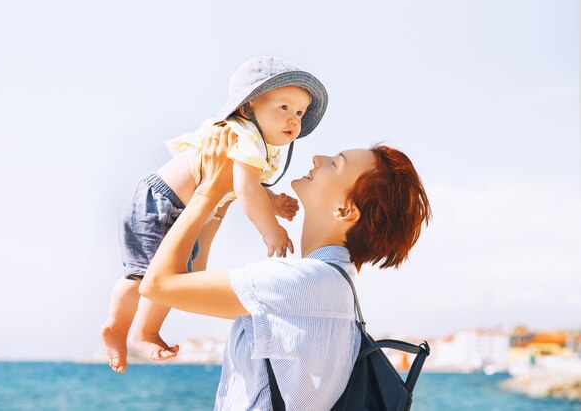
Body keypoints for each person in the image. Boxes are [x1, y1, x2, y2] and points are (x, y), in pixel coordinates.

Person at [140, 125, 432, 410]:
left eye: (334, 164)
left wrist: (208, 192)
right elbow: (187, 284)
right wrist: (221, 202)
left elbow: (157, 286)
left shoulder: (307, 283)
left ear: (345, 210)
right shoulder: (332, 287)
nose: (317, 158)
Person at [101, 57, 329, 373]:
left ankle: (127, 327)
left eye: (300, 112)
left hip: (172, 205)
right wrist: (270, 229)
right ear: (248, 108)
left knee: (156, 275)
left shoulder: (254, 142)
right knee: (154, 276)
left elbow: (248, 184)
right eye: (284, 108)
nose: (294, 119)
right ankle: (139, 331)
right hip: (160, 202)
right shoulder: (244, 135)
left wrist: (273, 200)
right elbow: (247, 188)